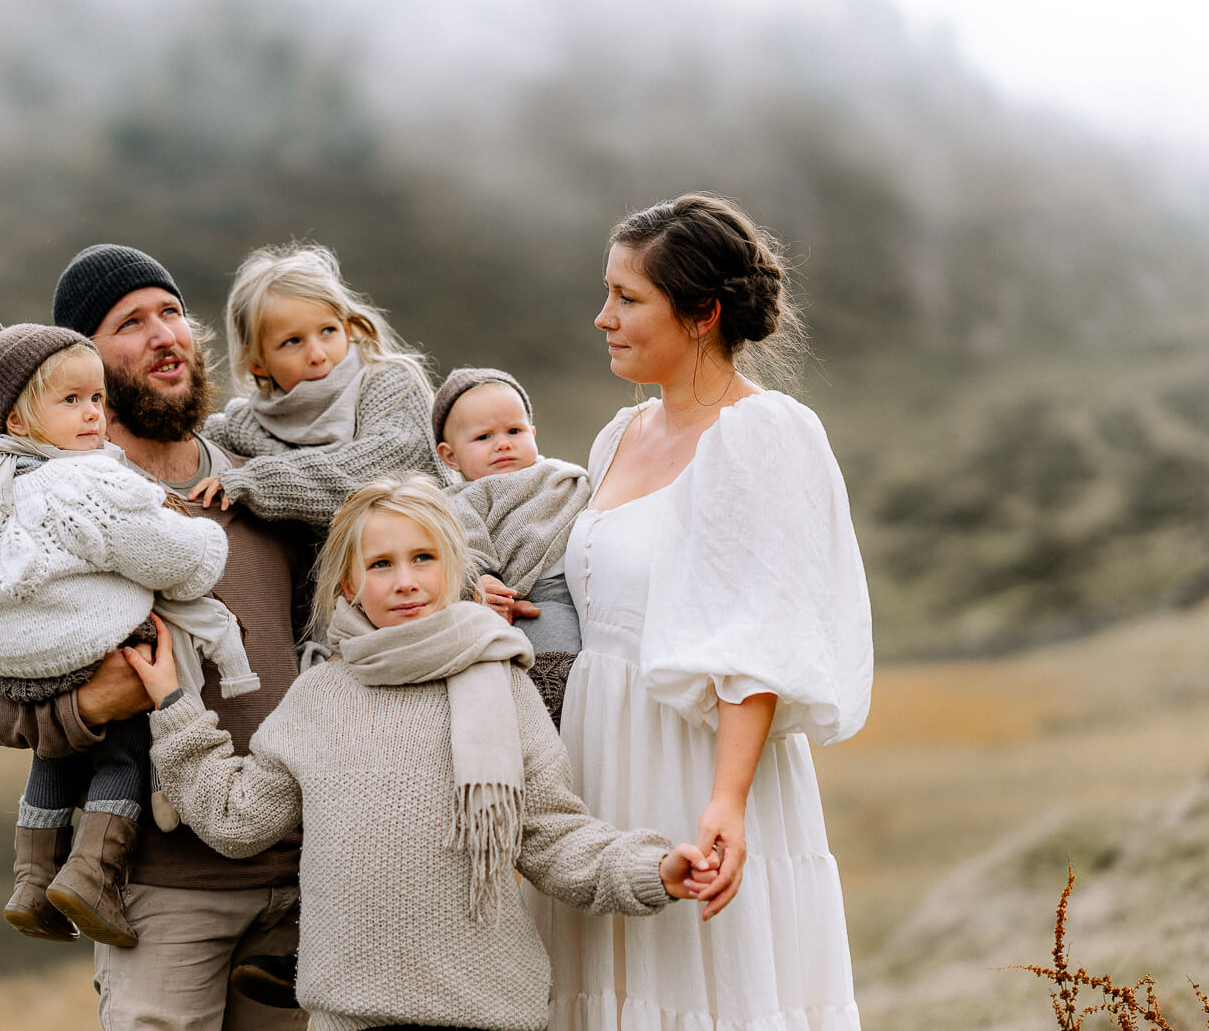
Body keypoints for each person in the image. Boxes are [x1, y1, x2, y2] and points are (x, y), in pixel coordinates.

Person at [126, 474, 716, 1031]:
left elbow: (553, 837)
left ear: (452, 566)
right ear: (349, 584)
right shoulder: (319, 697)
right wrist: (173, 704)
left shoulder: (502, 682)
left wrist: (652, 869)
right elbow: (239, 820)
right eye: (381, 564)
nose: (405, 581)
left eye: (423, 558)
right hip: (348, 1014)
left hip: (484, 1012)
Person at [0, 245, 312, 1031]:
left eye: (171, 312)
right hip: (160, 894)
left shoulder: (265, 482)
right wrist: (89, 706)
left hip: (305, 888)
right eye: (129, 323)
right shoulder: (42, 505)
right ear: (83, 366)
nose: (164, 333)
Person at [530, 194, 873, 1030]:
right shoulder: (619, 433)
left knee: (701, 994)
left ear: (702, 314)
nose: (602, 317)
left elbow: (763, 632)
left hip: (694, 756)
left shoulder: (764, 435)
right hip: (594, 753)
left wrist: (725, 799)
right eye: (607, 293)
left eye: (628, 298)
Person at [0, 317, 259, 950]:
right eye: (71, 402)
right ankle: (90, 873)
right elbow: (180, 562)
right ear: (15, 420)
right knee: (125, 742)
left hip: (7, 666)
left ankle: (33, 878)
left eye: (96, 398)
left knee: (57, 747)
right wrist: (205, 534)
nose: (93, 415)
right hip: (91, 649)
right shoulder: (89, 481)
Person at [187, 241, 450, 528]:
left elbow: (377, 474)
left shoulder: (391, 382)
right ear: (258, 363)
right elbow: (181, 446)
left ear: (347, 328)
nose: (317, 355)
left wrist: (258, 481)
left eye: (327, 331)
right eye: (292, 342)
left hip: (424, 551)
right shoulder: (245, 424)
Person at [431, 366, 591, 726]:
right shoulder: (460, 499)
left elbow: (595, 506)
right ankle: (547, 716)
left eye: (514, 431)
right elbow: (464, 545)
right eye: (484, 437)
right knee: (546, 645)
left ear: (533, 434)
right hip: (528, 596)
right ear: (450, 456)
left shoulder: (562, 476)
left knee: (590, 657)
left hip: (583, 583)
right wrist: (483, 580)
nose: (503, 443)